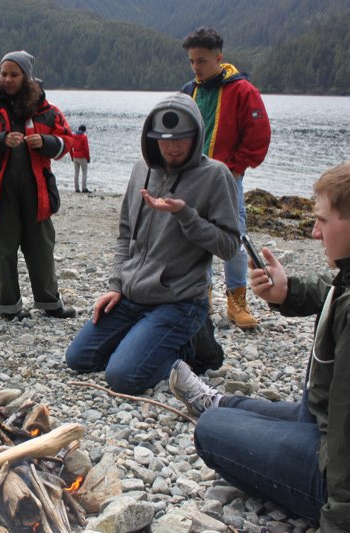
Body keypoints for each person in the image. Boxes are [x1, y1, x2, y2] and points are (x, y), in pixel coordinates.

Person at [169, 158, 350, 530]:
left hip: (348, 481)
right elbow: (336, 289)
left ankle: (216, 409)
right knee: (253, 413)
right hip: (327, 420)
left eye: (323, 221)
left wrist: (343, 521)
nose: (314, 232)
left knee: (212, 429)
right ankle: (219, 400)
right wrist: (287, 292)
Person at [65, 93, 240, 394]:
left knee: (122, 377)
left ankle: (193, 345)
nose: (173, 147)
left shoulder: (215, 175)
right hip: (132, 296)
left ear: (196, 136)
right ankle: (146, 339)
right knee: (79, 359)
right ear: (151, 137)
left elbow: (229, 246)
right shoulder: (140, 170)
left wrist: (185, 215)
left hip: (179, 301)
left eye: (182, 139)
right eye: (164, 139)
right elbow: (124, 233)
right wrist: (115, 285)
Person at [0, 50, 76, 321]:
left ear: (27, 77)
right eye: (4, 74)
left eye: (15, 74)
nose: (8, 79)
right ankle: (9, 308)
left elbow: (66, 142)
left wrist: (46, 143)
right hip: (0, 193)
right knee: (2, 250)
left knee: (42, 248)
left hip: (38, 193)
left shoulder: (48, 111)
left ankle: (49, 303)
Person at [181, 27, 271, 329]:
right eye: (192, 61)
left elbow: (258, 136)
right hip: (192, 178)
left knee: (233, 240)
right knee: (195, 238)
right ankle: (200, 297)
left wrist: (234, 168)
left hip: (227, 179)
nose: (196, 67)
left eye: (202, 61)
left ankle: (236, 301)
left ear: (219, 57)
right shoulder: (188, 91)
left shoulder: (243, 90)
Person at [70, 124, 91, 193]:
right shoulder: (84, 137)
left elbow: (70, 147)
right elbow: (86, 149)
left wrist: (71, 155)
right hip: (82, 156)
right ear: (84, 130)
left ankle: (76, 188)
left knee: (76, 172)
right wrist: (88, 158)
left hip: (75, 155)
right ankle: (84, 188)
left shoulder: (73, 136)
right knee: (84, 172)